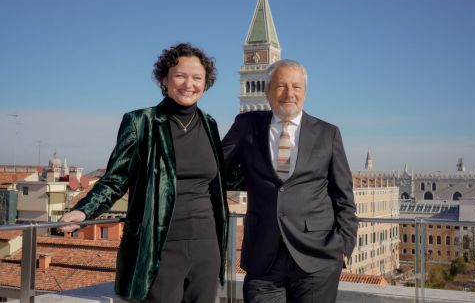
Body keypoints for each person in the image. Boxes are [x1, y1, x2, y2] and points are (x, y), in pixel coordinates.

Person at [60, 43, 229, 303]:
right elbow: (116, 179)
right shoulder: (141, 122)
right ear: (165, 78)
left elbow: (219, 180)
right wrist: (85, 210)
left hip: (207, 244)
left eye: (197, 78)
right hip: (158, 243)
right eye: (180, 75)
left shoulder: (210, 124)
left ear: (206, 83)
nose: (189, 84)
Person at [222, 59, 358, 303]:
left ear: (305, 92)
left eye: (296, 87)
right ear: (268, 91)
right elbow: (218, 170)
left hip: (317, 258)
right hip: (263, 258)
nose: (289, 94)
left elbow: (343, 196)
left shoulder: (328, 133)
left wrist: (344, 246)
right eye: (281, 86)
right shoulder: (246, 125)